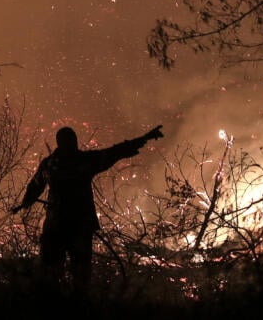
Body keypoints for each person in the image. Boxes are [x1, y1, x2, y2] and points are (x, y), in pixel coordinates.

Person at [11, 124, 164, 294]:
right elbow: (115, 152)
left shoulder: (51, 165)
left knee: (54, 274)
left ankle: (55, 305)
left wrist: (26, 201)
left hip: (59, 226)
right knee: (77, 276)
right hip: (76, 226)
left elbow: (35, 186)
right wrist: (144, 139)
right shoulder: (82, 162)